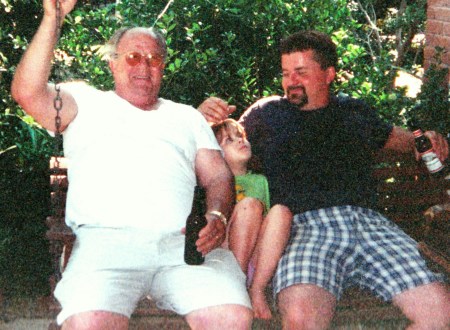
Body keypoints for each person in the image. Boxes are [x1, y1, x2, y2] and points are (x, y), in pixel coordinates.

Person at [11, 1, 253, 329]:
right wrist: (53, 18)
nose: (144, 66)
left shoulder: (186, 117)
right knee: (90, 321)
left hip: (181, 248)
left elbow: (218, 177)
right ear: (112, 64)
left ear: (163, 67)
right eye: (133, 57)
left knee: (232, 316)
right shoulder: (83, 104)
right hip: (106, 248)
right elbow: (26, 92)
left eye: (153, 59)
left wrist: (217, 215)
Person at [198, 30, 450, 329]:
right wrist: (201, 119)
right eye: (286, 73)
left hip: (371, 226)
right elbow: (220, 146)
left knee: (442, 316)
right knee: (302, 320)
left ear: (328, 74)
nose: (291, 81)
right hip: (304, 229)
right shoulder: (266, 114)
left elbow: (408, 142)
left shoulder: (355, 112)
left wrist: (429, 139)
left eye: (301, 72)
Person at [211, 118, 292, 320]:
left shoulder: (260, 180)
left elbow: (269, 226)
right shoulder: (214, 183)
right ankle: (236, 286)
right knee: (250, 206)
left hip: (256, 260)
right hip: (227, 256)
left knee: (281, 211)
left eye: (241, 136)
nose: (240, 141)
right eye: (229, 140)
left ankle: (256, 289)